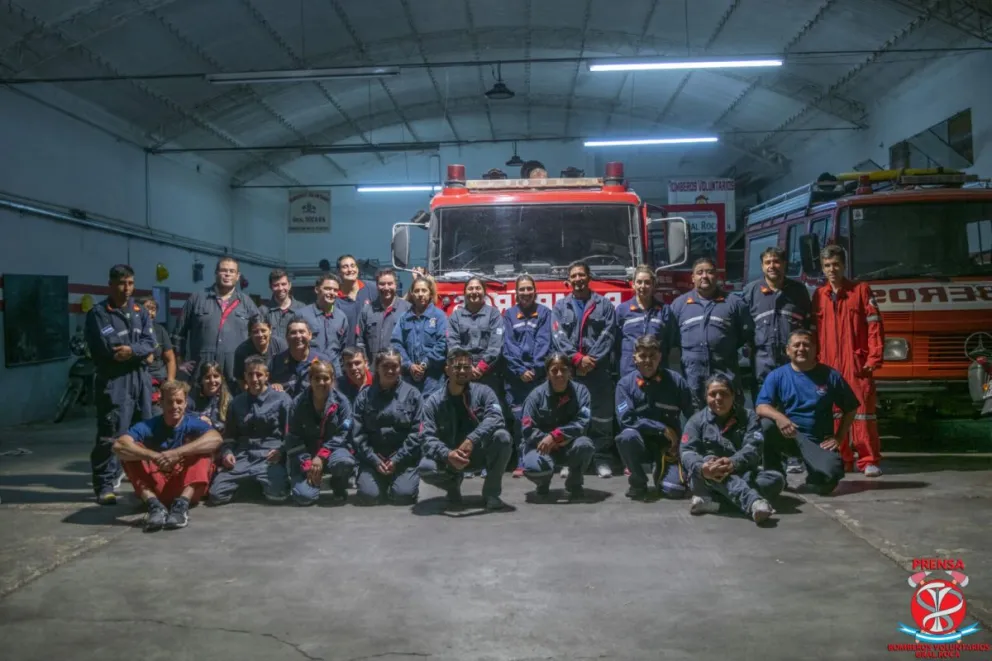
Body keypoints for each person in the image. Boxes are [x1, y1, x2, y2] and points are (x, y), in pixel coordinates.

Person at [84, 264, 156, 505]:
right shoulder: (99, 314)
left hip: (140, 381)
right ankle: (105, 484)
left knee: (142, 433)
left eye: (131, 283)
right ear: (111, 285)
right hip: (115, 382)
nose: (127, 289)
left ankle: (141, 482)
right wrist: (138, 351)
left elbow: (150, 344)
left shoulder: (140, 311)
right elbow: (111, 349)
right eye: (122, 283)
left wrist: (133, 350)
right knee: (111, 434)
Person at [811, 244, 885, 477]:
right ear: (822, 269)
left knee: (863, 412)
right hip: (828, 364)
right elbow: (813, 332)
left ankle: (868, 460)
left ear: (844, 266)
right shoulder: (819, 296)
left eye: (836, 265)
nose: (832, 269)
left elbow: (875, 325)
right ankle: (843, 458)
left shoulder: (861, 290)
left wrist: (874, 357)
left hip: (857, 363)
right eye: (827, 266)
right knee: (833, 413)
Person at [755, 329, 856, 495]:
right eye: (796, 345)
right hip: (789, 437)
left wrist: (839, 437)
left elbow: (851, 408)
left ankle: (816, 476)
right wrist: (780, 418)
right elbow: (761, 407)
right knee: (765, 424)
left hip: (818, 442)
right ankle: (775, 473)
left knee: (831, 475)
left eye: (806, 345)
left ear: (815, 349)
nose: (801, 349)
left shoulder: (831, 376)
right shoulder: (777, 376)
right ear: (788, 350)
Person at [112, 380, 222, 531]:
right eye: (169, 402)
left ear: (185, 404)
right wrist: (153, 456)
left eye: (179, 401)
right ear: (161, 402)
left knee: (202, 449)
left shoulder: (193, 423)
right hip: (159, 485)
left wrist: (178, 452)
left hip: (187, 486)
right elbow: (119, 446)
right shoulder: (149, 425)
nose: (175, 406)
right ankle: (155, 506)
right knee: (131, 451)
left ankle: (181, 507)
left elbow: (216, 439)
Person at [680, 374, 783, 523]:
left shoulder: (749, 417)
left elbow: (753, 447)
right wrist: (703, 468)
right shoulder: (695, 421)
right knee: (711, 461)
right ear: (706, 397)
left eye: (724, 393)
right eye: (712, 394)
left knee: (775, 479)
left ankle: (714, 504)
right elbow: (687, 451)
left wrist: (733, 462)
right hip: (706, 478)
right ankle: (753, 503)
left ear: (733, 396)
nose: (718, 398)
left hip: (741, 472)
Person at [418, 348, 512, 509]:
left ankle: (491, 493)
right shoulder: (433, 402)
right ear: (447, 370)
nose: (462, 371)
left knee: (503, 437)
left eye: (467, 367)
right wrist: (447, 454)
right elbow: (426, 437)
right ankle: (452, 486)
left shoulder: (484, 392)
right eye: (457, 367)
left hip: (480, 453)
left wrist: (471, 439)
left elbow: (496, 418)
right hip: (449, 458)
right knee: (426, 468)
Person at [551, 261, 618, 477]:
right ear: (569, 281)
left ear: (589, 278)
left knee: (601, 417)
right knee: (570, 416)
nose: (578, 279)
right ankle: (571, 460)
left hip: (598, 371)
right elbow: (558, 336)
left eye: (582, 275)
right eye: (574, 276)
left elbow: (608, 334)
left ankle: (601, 459)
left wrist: (592, 360)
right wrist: (578, 359)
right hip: (571, 373)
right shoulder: (561, 307)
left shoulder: (605, 305)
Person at [614, 335, 695, 500]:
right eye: (643, 356)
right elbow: (626, 420)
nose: (648, 361)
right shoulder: (625, 384)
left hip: (668, 447)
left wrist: (684, 445)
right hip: (641, 443)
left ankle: (662, 474)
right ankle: (638, 482)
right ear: (634, 358)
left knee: (674, 490)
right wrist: (661, 428)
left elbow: (693, 417)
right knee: (626, 437)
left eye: (653, 356)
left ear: (660, 357)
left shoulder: (676, 382)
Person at [668, 257, 752, 411]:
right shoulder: (679, 305)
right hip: (693, 378)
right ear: (692, 278)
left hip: (725, 375)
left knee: (731, 420)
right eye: (700, 272)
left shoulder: (734, 303)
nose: (704, 276)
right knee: (695, 421)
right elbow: (672, 338)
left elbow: (745, 334)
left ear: (717, 276)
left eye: (709, 272)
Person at [208, 356, 292, 505]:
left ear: (267, 376)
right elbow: (229, 437)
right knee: (216, 495)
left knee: (278, 496)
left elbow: (291, 435)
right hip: (243, 456)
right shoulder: (237, 403)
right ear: (245, 376)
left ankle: (259, 482)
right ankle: (253, 483)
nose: (254, 379)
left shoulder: (282, 400)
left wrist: (282, 451)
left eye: (259, 374)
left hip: (269, 457)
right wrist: (227, 453)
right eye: (250, 374)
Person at [174, 257, 259, 392]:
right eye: (223, 270)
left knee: (232, 410)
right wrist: (180, 362)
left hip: (234, 375)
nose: (227, 274)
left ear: (237, 276)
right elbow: (178, 334)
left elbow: (260, 335)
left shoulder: (247, 303)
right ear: (216, 273)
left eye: (231, 271)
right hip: (202, 374)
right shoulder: (197, 299)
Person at [352, 348, 424, 505]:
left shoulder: (413, 395)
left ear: (400, 367)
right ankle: (378, 482)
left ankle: (398, 483)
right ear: (377, 367)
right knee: (369, 496)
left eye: (395, 366)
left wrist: (397, 460)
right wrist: (374, 459)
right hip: (372, 460)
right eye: (385, 366)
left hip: (403, 460)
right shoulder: (364, 396)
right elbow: (358, 434)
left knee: (403, 496)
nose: (390, 370)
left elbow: (417, 433)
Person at [520, 353, 596, 500]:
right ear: (547, 373)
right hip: (541, 446)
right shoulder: (535, 396)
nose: (559, 374)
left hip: (569, 443)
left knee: (585, 445)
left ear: (570, 372)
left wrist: (556, 436)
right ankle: (543, 483)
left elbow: (583, 421)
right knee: (533, 468)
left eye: (564, 369)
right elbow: (527, 429)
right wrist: (547, 440)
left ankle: (574, 483)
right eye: (554, 370)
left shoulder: (581, 392)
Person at [740, 246, 812, 395]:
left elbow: (808, 324)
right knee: (765, 410)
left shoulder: (798, 291)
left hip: (793, 361)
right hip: (762, 362)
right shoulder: (750, 292)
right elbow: (743, 327)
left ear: (784, 264)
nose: (772, 266)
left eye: (776, 261)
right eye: (767, 262)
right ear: (762, 266)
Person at [285, 360, 356, 505]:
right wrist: (307, 464)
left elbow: (343, 434)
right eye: (317, 378)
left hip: (333, 453)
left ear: (332, 380)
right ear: (310, 380)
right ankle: (313, 480)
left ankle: (338, 485)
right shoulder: (297, 404)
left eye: (326, 378)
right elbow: (293, 437)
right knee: (304, 497)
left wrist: (322, 455)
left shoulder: (342, 403)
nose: (321, 382)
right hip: (306, 456)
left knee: (344, 462)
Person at [502, 275, 552, 478]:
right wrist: (520, 370)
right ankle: (522, 461)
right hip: (516, 380)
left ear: (535, 291)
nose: (525, 293)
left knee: (538, 420)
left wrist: (535, 369)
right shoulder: (509, 315)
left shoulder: (545, 313)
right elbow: (507, 346)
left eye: (529, 289)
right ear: (516, 293)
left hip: (538, 378)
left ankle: (540, 459)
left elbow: (545, 343)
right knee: (518, 420)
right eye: (521, 289)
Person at [391, 275, 448, 395]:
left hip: (433, 382)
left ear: (430, 293)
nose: (420, 294)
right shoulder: (404, 318)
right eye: (417, 291)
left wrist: (424, 364)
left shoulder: (439, 316)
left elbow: (442, 343)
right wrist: (409, 365)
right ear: (411, 294)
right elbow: (396, 343)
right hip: (408, 380)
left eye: (424, 290)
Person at [447, 277, 505, 394]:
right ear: (465, 293)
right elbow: (453, 344)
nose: (474, 292)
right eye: (470, 289)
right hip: (462, 372)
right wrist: (467, 367)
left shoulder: (494, 314)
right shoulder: (455, 317)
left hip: (489, 373)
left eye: (478, 288)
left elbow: (496, 345)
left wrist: (481, 367)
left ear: (484, 292)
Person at [616, 266, 671, 378]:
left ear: (653, 285)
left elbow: (670, 340)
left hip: (657, 369)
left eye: (647, 282)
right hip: (629, 370)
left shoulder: (664, 310)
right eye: (639, 282)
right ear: (633, 284)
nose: (643, 286)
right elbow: (616, 342)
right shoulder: (622, 310)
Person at [298, 273, 349, 374]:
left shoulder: (341, 317)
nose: (332, 293)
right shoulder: (302, 315)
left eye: (335, 290)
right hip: (310, 371)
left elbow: (343, 347)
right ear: (317, 289)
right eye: (327, 288)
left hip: (335, 372)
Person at [270, 316, 330, 398]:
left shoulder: (323, 361)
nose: (298, 336)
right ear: (287, 337)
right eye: (293, 332)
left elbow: (331, 391)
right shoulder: (277, 361)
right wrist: (272, 386)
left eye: (302, 332)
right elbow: (266, 388)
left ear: (310, 335)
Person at [357, 267, 410, 359]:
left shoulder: (407, 309)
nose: (386, 288)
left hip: (399, 370)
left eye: (390, 284)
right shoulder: (367, 310)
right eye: (382, 284)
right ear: (377, 285)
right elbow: (360, 342)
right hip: (373, 370)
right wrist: (365, 364)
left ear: (396, 285)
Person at [138, 297, 176, 414]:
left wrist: (169, 383)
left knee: (157, 417)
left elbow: (170, 359)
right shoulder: (132, 329)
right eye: (147, 308)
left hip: (157, 383)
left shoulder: (160, 330)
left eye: (153, 309)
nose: (150, 312)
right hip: (138, 381)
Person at [233, 315, 287, 391]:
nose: (260, 335)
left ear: (270, 330)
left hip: (277, 388)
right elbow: (241, 381)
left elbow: (288, 372)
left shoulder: (281, 346)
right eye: (255, 332)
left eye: (263, 330)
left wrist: (280, 384)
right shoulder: (242, 351)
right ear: (250, 333)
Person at [336, 255, 375, 346]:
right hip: (346, 352)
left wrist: (414, 283)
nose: (350, 270)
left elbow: (396, 303)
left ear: (357, 269)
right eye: (345, 267)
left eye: (353, 266)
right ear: (338, 272)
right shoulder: (334, 296)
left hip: (370, 351)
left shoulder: (372, 288)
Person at [259, 269, 304, 342]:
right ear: (270, 287)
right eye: (276, 285)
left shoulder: (302, 309)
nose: (280, 288)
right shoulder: (263, 311)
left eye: (283, 284)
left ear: (289, 285)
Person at [186, 361, 231, 432]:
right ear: (201, 380)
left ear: (221, 378)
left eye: (216, 376)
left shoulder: (228, 398)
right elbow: (182, 413)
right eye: (207, 377)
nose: (212, 380)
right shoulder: (193, 397)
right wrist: (198, 416)